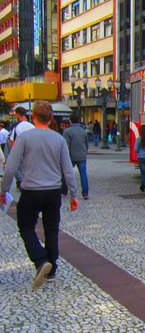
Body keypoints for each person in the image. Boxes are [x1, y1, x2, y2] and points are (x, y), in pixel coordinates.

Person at [0, 100, 79, 288]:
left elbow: (10, 167)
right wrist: (74, 194)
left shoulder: (25, 138)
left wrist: (4, 190)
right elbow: (68, 170)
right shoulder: (58, 139)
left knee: (25, 226)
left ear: (33, 116)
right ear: (51, 118)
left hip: (31, 190)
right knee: (51, 229)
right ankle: (51, 270)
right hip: (53, 191)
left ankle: (40, 259)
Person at [62, 114, 89, 199]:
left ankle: (64, 191)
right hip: (82, 156)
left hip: (71, 156)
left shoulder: (67, 131)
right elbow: (86, 143)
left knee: (66, 173)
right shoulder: (83, 130)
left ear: (70, 121)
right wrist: (84, 152)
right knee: (83, 174)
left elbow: (65, 146)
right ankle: (85, 193)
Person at [8, 106, 34, 190]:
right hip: (31, 150)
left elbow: (12, 140)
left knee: (18, 168)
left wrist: (12, 153)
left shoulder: (16, 126)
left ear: (17, 114)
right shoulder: (32, 126)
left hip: (20, 150)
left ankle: (20, 182)